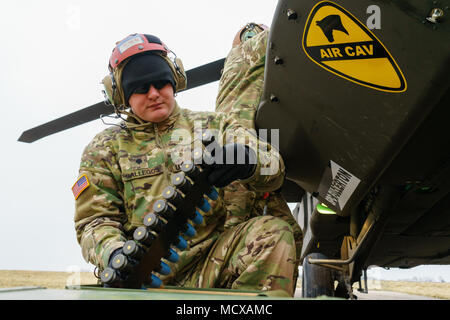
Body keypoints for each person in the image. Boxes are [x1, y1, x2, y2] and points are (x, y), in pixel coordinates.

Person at [73, 31, 298, 296]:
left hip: (214, 261)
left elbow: (275, 168)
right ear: (120, 96)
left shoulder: (214, 126)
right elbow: (94, 222)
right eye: (141, 88)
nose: (154, 93)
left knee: (272, 234)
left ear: (175, 80)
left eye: (161, 83)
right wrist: (113, 252)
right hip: (147, 280)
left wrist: (250, 161)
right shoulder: (104, 149)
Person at [215, 24, 303, 282]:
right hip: (242, 155)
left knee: (290, 234)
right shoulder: (252, 49)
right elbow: (290, 31)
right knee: (234, 236)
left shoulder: (231, 76)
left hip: (248, 156)